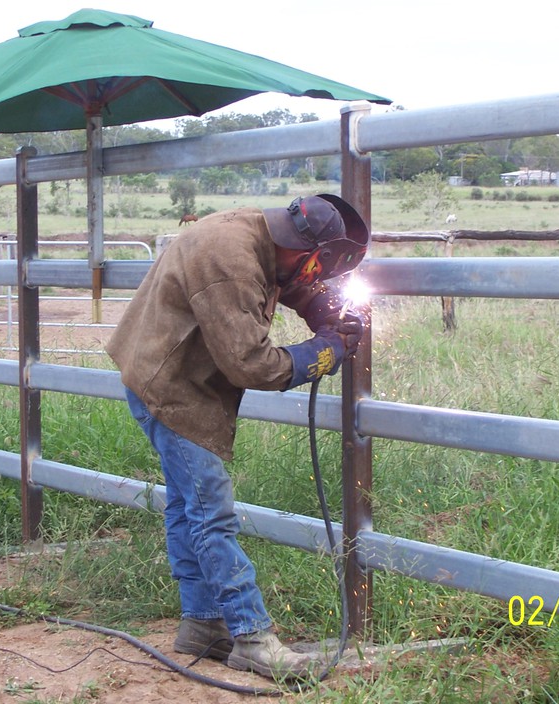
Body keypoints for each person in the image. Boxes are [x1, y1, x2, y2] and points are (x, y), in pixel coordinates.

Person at [106, 194, 369, 680]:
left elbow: (282, 280)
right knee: (211, 511)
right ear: (305, 251)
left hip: (165, 375)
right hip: (173, 389)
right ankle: (251, 635)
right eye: (315, 270)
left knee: (188, 506)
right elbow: (250, 364)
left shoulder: (255, 234)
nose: (313, 278)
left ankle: (203, 624)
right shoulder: (230, 260)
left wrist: (320, 310)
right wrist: (324, 351)